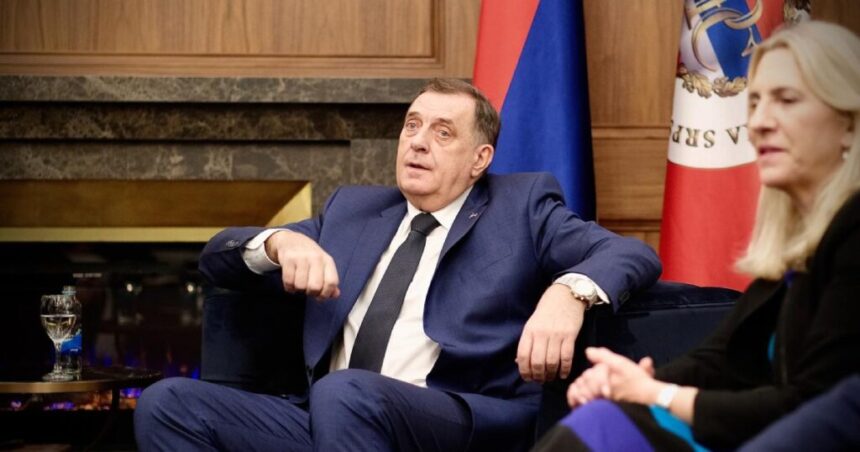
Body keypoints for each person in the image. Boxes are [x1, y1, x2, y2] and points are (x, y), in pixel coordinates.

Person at [133, 78, 661, 451]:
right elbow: (217, 258)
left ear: (479, 160)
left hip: (457, 415)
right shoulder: (352, 211)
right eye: (412, 125)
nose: (419, 142)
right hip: (328, 416)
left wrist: (566, 294)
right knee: (167, 402)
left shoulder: (521, 207)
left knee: (343, 391)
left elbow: (631, 253)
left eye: (443, 132)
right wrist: (278, 243)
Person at [533, 21, 860, 451]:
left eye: (786, 100)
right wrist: (628, 382)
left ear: (849, 123)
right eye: (755, 102)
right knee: (603, 419)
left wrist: (658, 395)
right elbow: (719, 361)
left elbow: (815, 406)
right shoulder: (795, 247)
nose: (760, 123)